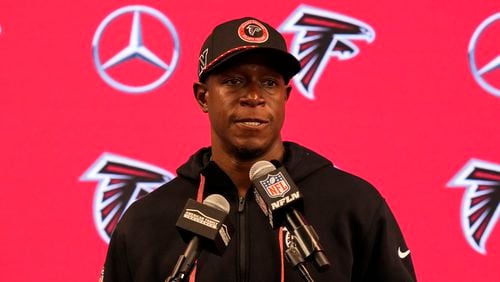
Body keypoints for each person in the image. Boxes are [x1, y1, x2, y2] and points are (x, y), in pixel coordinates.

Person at [102, 17, 417, 282]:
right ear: (202, 97)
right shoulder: (146, 222)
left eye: (269, 83)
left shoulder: (353, 204)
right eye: (234, 81)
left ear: (285, 97)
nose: (253, 96)